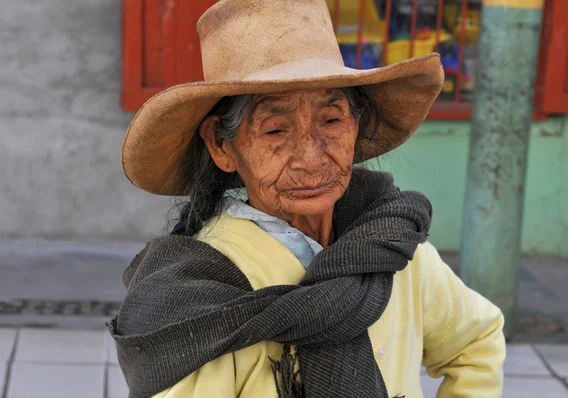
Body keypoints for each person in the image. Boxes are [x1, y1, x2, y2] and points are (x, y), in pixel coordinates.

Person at [108, 0, 505, 397]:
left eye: (331, 121)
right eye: (276, 131)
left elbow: (476, 341)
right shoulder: (200, 294)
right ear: (221, 145)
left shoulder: (392, 247)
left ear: (356, 125)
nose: (311, 159)